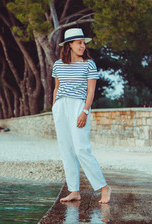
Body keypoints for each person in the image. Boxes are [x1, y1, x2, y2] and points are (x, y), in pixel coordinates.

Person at [52, 28, 111, 204]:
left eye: (84, 43)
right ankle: (74, 191)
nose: (82, 46)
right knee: (66, 149)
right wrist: (55, 106)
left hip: (79, 105)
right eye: (79, 43)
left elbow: (91, 91)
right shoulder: (57, 65)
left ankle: (104, 188)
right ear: (69, 45)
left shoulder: (89, 64)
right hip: (61, 106)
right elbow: (57, 87)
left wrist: (84, 111)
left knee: (81, 149)